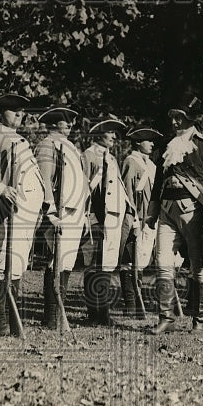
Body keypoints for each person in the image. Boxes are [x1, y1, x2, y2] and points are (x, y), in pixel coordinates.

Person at [0, 93, 50, 336]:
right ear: (0, 112)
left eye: (21, 110)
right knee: (4, 263)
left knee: (17, 265)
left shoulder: (20, 138)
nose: (19, 114)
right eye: (13, 110)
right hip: (8, 211)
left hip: (27, 212)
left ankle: (12, 317)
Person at [146, 101, 203, 333]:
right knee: (162, 262)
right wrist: (152, 211)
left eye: (179, 118)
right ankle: (166, 317)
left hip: (194, 211)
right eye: (172, 117)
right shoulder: (167, 145)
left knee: (198, 265)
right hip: (166, 210)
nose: (174, 122)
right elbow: (158, 182)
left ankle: (200, 318)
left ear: (191, 119)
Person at [34, 107, 88, 329]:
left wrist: (85, 214)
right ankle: (51, 316)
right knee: (56, 260)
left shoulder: (71, 147)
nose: (71, 124)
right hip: (60, 211)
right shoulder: (48, 145)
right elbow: (45, 180)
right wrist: (50, 210)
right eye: (66, 121)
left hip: (76, 211)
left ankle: (59, 312)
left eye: (71, 121)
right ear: (54, 123)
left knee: (67, 262)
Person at [81, 117, 133, 324]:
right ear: (98, 134)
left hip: (113, 218)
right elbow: (83, 188)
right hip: (96, 218)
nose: (113, 136)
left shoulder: (110, 157)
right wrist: (88, 216)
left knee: (107, 265)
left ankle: (103, 313)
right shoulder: (89, 155)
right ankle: (95, 314)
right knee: (94, 265)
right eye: (109, 132)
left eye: (114, 132)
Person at [119, 127, 162, 316]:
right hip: (136, 218)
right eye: (148, 140)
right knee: (130, 261)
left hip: (150, 219)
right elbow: (128, 193)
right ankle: (130, 304)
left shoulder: (151, 165)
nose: (152, 144)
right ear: (138, 142)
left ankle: (137, 301)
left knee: (142, 260)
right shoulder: (131, 161)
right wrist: (134, 220)